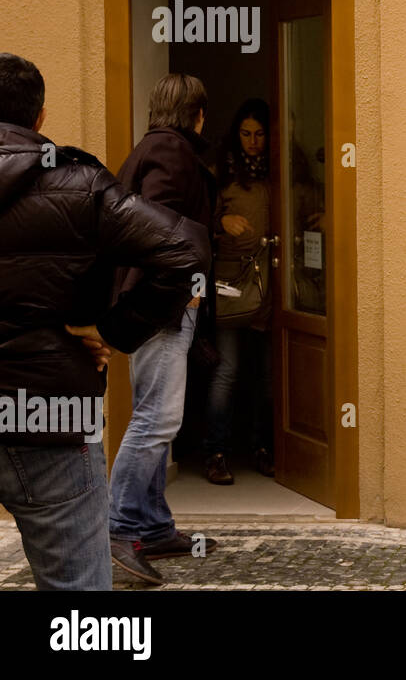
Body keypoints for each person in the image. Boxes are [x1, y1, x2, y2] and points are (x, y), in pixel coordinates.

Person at [0, 53, 208, 590]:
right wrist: (112, 329)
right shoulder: (79, 183)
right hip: (48, 414)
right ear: (40, 117)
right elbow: (185, 249)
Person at [107, 73, 219, 585]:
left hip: (153, 301)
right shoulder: (172, 153)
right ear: (196, 114)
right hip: (164, 304)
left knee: (154, 417)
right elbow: (158, 223)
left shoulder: (152, 147)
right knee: (156, 420)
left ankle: (151, 527)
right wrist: (185, 283)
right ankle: (115, 528)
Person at [204, 98, 274, 484]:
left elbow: (309, 198)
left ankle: (265, 447)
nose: (253, 141)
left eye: (260, 134)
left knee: (268, 374)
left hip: (271, 283)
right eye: (246, 134)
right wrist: (221, 221)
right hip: (230, 282)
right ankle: (216, 452)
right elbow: (199, 218)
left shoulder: (282, 171)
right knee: (226, 371)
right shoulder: (222, 174)